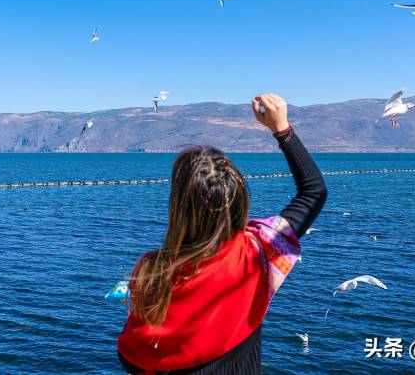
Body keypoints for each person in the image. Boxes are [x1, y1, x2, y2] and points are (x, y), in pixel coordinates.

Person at [117, 93, 328, 374]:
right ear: (239, 199)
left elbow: (132, 358)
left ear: (178, 207)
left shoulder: (154, 270)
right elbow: (313, 192)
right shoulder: (258, 251)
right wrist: (282, 130)